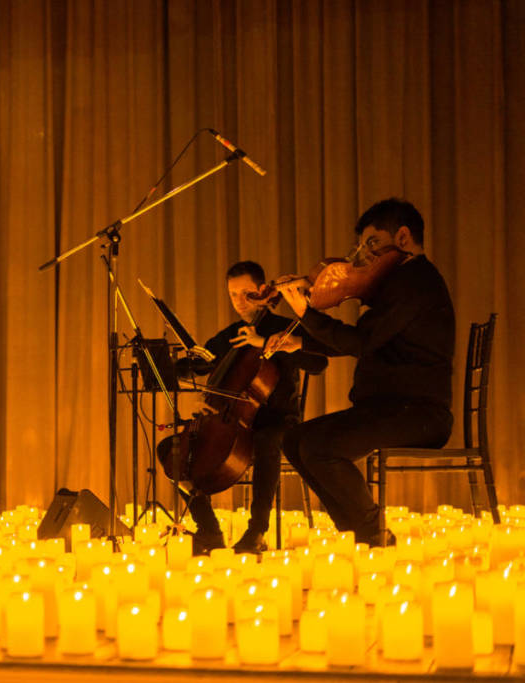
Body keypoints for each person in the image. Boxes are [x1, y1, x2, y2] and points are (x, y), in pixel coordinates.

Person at [271, 198, 455, 546]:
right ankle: (358, 533)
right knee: (294, 440)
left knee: (322, 448)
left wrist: (307, 314)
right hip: (388, 409)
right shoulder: (394, 285)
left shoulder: (416, 282)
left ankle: (373, 535)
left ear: (403, 237)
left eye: (372, 243)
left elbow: (362, 342)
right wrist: (301, 343)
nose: (363, 256)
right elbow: (364, 342)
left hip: (419, 414)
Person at [158, 261, 328, 554]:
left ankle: (256, 531)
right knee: (172, 449)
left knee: (265, 441)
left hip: (277, 419)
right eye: (232, 295)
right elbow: (202, 362)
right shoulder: (232, 334)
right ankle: (209, 530)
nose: (239, 301)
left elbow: (318, 362)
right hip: (230, 420)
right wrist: (166, 367)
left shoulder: (284, 328)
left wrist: (268, 344)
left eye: (245, 293)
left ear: (263, 291)